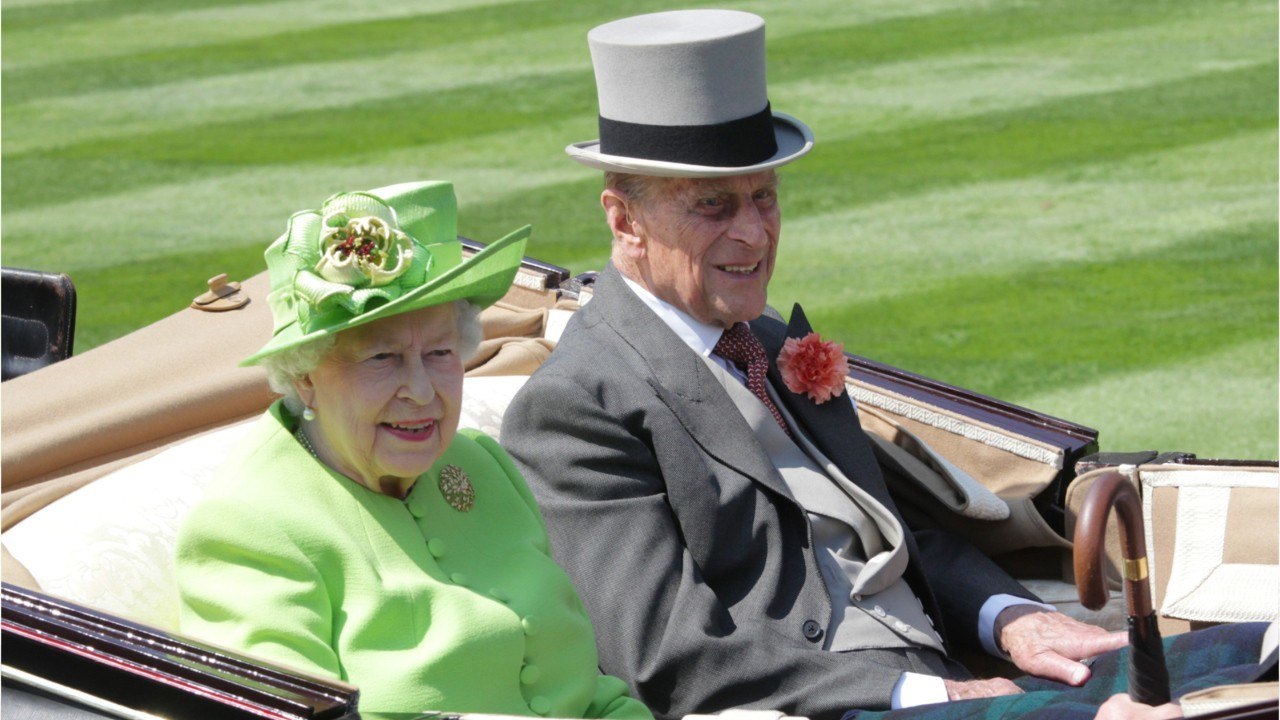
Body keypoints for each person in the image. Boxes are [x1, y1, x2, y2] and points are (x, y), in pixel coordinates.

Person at [499, 10, 1272, 720]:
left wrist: (1010, 620)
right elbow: (669, 658)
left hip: (949, 675)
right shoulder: (576, 407)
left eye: (764, 198)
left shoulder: (764, 341)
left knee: (1262, 652)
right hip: (843, 702)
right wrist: (922, 691)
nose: (754, 233)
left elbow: (886, 532)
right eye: (713, 206)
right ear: (623, 218)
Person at [175, 181, 651, 720]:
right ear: (304, 375)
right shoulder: (248, 527)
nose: (422, 391)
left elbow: (588, 695)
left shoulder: (481, 464)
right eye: (382, 358)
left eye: (440, 351)